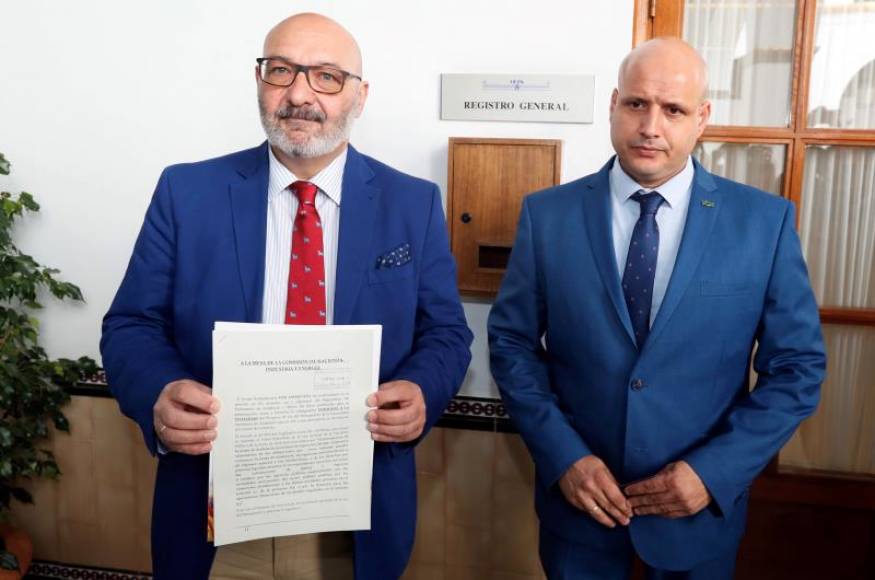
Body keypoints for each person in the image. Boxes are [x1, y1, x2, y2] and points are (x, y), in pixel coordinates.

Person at [101, 13, 472, 580]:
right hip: (213, 522)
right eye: (281, 71)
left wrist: (423, 390)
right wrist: (158, 392)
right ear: (259, 80)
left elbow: (446, 333)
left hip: (353, 526)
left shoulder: (412, 203)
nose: (299, 94)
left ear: (359, 95)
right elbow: (131, 325)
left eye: (325, 76)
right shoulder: (186, 192)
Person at [487, 37, 825, 579]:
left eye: (673, 110)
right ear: (614, 104)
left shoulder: (763, 224)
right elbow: (511, 345)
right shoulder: (547, 216)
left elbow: (798, 369)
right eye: (637, 104)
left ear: (702, 118)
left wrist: (713, 473)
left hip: (699, 520)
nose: (651, 126)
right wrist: (563, 456)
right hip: (580, 516)